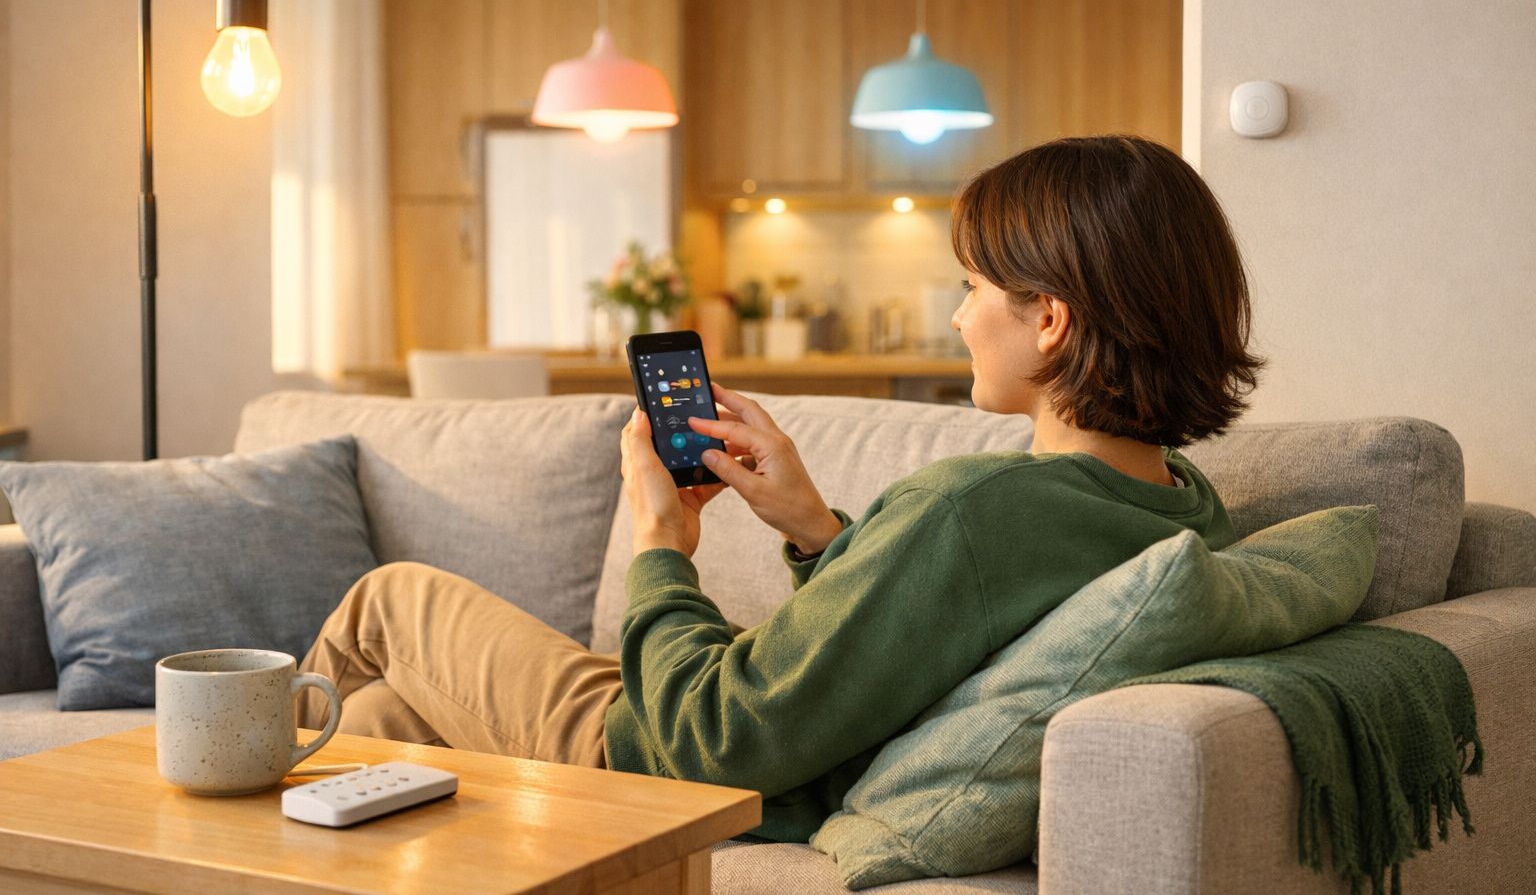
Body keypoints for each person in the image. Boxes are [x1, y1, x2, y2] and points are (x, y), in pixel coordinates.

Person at [298, 134, 1265, 842]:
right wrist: (810, 526)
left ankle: (192, 790)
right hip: (750, 725)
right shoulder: (1177, 502)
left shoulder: (974, 509)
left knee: (392, 599)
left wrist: (659, 546)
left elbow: (711, 741)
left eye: (971, 285)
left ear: (1048, 318)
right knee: (389, 724)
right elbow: (904, 644)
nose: (959, 314)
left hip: (667, 753)